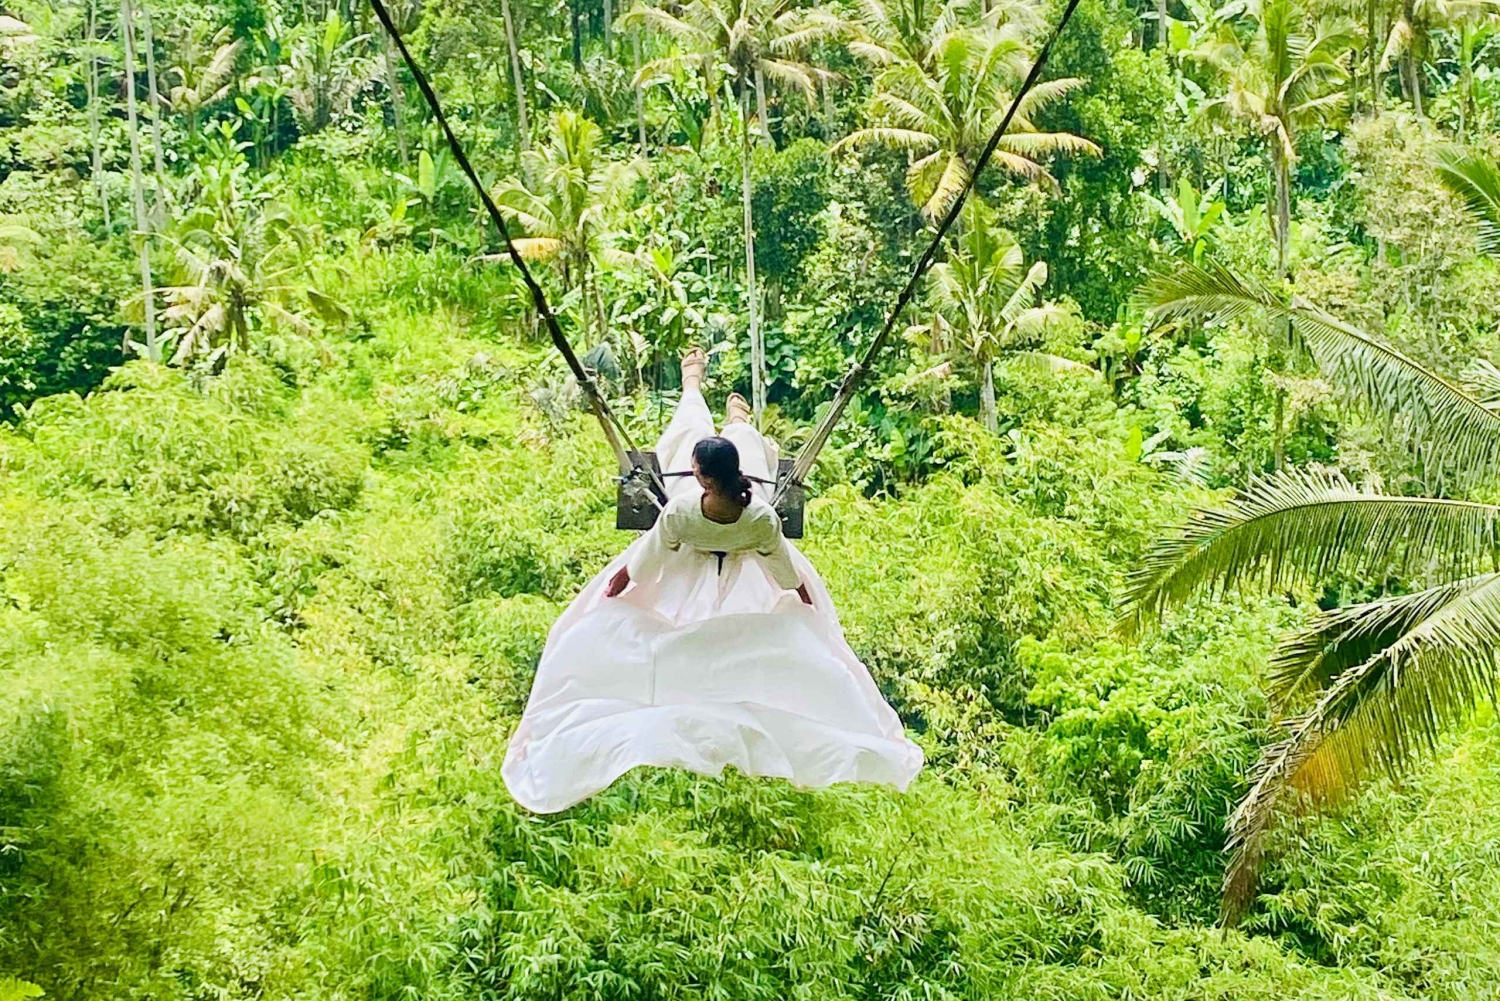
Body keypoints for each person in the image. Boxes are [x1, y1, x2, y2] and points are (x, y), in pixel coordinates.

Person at [501, 349, 923, 814]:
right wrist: (805, 599)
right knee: (741, 441)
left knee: (687, 438)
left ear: (701, 480)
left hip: (694, 557)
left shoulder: (683, 511)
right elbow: (783, 569)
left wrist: (615, 588)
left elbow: (648, 558)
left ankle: (693, 388)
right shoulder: (759, 515)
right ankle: (734, 417)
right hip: (743, 540)